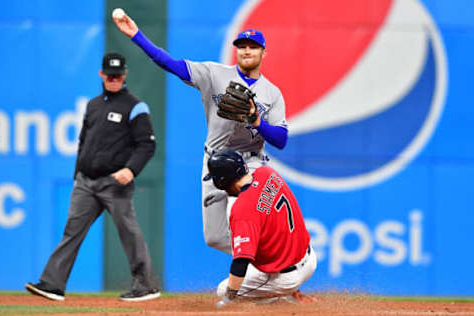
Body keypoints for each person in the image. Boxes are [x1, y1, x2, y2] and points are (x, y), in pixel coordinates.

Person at [114, 13, 288, 254]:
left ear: (263, 53)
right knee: (215, 237)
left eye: (253, 47)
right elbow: (170, 64)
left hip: (252, 164)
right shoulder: (214, 74)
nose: (247, 51)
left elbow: (281, 140)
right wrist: (137, 36)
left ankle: (278, 268)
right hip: (216, 162)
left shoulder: (272, 93)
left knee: (256, 221)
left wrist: (257, 121)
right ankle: (263, 260)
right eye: (242, 47)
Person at [25, 53, 159, 302]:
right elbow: (83, 142)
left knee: (128, 231)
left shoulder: (135, 106)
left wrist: (130, 170)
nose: (114, 79)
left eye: (118, 75)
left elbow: (147, 145)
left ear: (125, 75)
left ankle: (146, 285)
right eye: (110, 75)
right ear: (102, 75)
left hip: (115, 183)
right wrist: (77, 174)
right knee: (71, 231)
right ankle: (53, 284)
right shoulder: (93, 105)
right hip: (86, 182)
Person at [203, 149, 317, 307]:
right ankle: (286, 292)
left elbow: (241, 261)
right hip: (309, 258)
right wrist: (227, 195)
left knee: (223, 289)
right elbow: (255, 193)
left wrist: (228, 299)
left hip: (286, 278)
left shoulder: (242, 211)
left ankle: (284, 297)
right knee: (259, 247)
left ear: (221, 181)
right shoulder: (267, 173)